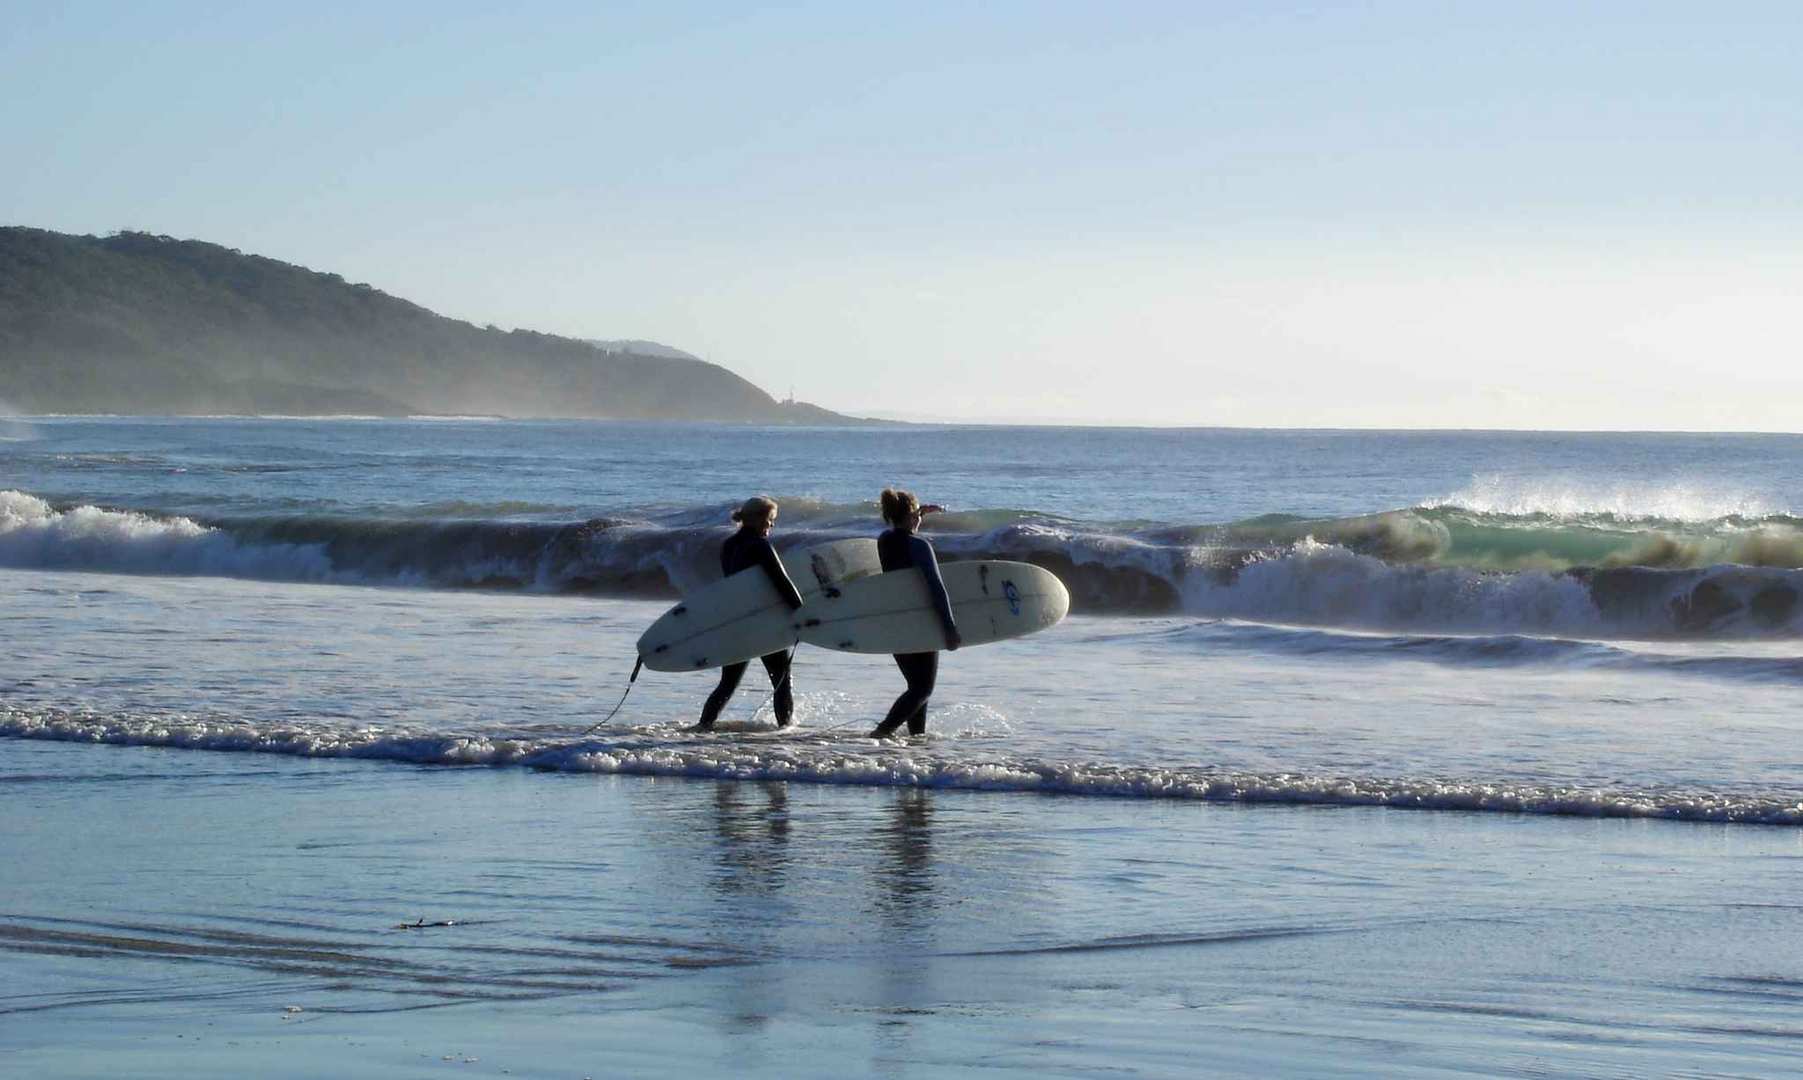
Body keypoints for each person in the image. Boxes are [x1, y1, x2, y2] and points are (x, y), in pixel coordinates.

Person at [698, 496, 804, 730]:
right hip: (763, 623)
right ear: (756, 519)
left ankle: (703, 726)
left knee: (727, 684)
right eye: (769, 520)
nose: (772, 526)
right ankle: (785, 731)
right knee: (781, 681)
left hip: (736, 621)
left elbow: (735, 586)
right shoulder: (760, 545)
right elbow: (782, 583)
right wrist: (802, 613)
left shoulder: (729, 545)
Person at [869, 488, 961, 738]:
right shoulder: (919, 545)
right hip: (919, 622)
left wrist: (916, 513)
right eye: (916, 515)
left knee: (916, 687)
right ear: (911, 516)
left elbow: (901, 529)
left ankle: (917, 741)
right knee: (923, 689)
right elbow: (936, 587)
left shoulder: (884, 540)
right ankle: (882, 732)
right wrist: (949, 627)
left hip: (894, 620)